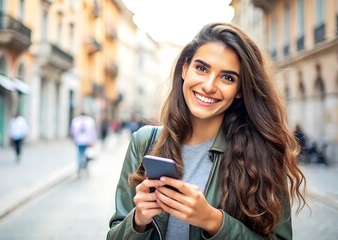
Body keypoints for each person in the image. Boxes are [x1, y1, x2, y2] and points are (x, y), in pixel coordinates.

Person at [107, 23, 307, 239]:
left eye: (227, 78)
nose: (209, 86)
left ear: (239, 90)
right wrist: (138, 221)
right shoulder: (145, 141)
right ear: (185, 68)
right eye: (201, 68)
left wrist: (213, 221)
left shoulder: (263, 152)